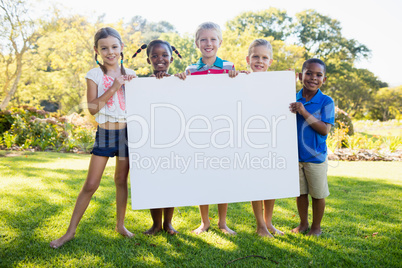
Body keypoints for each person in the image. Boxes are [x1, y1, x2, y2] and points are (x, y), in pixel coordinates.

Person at [50, 27, 136, 248]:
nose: (110, 52)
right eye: (104, 48)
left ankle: (120, 225)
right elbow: (92, 108)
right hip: (106, 133)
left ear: (122, 48)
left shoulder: (131, 74)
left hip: (127, 134)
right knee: (91, 184)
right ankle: (69, 232)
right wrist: (115, 87)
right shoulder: (94, 74)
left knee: (121, 181)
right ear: (96, 50)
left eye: (114, 47)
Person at [176, 22, 236, 235]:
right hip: (199, 130)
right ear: (196, 43)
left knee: (222, 177)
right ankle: (204, 222)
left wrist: (238, 79)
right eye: (203, 39)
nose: (208, 43)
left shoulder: (229, 68)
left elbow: (237, 95)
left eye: (212, 39)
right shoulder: (191, 70)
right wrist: (182, 80)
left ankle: (222, 222)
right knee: (201, 175)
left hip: (223, 130)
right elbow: (185, 98)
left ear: (220, 42)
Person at [132, 39, 182, 235]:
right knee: (153, 181)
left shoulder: (179, 81)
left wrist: (179, 80)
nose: (160, 59)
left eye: (164, 56)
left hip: (174, 139)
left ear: (171, 58)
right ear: (148, 60)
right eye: (155, 56)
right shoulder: (141, 85)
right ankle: (155, 224)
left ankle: (168, 223)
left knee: (170, 181)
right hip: (150, 140)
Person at [240, 39, 285, 237]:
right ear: (248, 59)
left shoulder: (277, 82)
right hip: (249, 138)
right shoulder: (242, 79)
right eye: (256, 56)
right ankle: (260, 225)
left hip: (271, 137)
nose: (260, 61)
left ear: (271, 61)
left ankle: (269, 222)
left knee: (270, 181)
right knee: (255, 182)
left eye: (264, 57)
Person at [289, 58, 335, 236]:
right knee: (300, 194)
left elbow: (324, 130)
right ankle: (303, 224)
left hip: (315, 157)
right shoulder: (292, 98)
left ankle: (316, 227)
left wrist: (303, 111)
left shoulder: (326, 101)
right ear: (300, 76)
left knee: (317, 194)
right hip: (295, 156)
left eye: (318, 75)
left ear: (324, 79)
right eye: (308, 73)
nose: (313, 78)